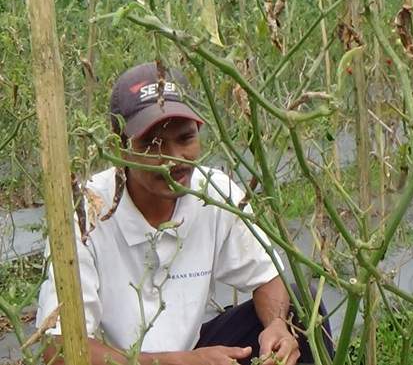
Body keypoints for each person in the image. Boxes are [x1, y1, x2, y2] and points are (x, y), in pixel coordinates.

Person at [36, 62, 329, 365]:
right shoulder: (84, 213)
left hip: (192, 349)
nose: (174, 158)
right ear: (120, 148)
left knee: (303, 308)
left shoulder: (214, 193)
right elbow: (58, 349)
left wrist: (277, 324)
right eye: (153, 145)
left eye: (185, 139)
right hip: (122, 360)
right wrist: (177, 362)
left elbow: (266, 276)